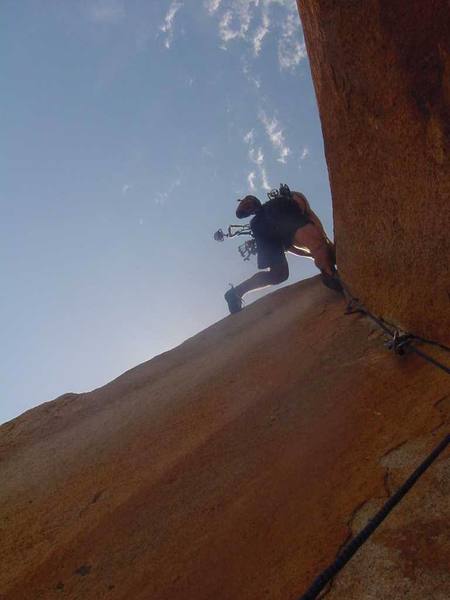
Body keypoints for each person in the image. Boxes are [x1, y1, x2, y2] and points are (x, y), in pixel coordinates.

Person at [224, 185, 342, 314]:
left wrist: (318, 251)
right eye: (246, 205)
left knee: (279, 274)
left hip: (274, 223)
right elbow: (308, 227)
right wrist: (323, 247)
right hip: (280, 217)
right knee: (284, 270)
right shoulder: (281, 205)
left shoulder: (262, 219)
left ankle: (236, 293)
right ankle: (329, 273)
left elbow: (290, 244)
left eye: (246, 204)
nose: (247, 206)